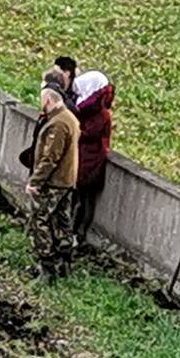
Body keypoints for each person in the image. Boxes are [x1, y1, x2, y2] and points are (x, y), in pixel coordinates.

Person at [26, 88, 80, 283]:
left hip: (54, 181)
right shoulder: (69, 118)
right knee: (62, 220)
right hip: (67, 180)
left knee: (40, 218)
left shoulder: (58, 123)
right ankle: (65, 261)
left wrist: (35, 181)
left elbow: (50, 157)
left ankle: (47, 267)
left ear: (48, 99)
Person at [71, 70, 114, 246]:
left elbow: (87, 133)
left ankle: (78, 234)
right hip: (84, 159)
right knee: (79, 199)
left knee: (84, 200)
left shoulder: (99, 112)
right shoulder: (89, 108)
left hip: (90, 162)